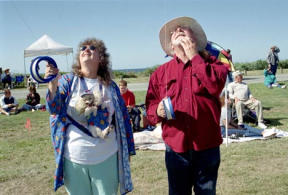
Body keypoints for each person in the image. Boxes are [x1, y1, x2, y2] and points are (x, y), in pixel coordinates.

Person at [145, 16, 228, 194]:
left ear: (195, 38)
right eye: (174, 30)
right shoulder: (160, 74)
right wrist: (158, 111)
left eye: (184, 28)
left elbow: (214, 86)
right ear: (171, 45)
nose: (179, 30)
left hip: (207, 146)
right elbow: (150, 112)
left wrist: (194, 56)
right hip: (175, 149)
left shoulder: (216, 65)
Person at [45, 38, 135, 194]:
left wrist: (128, 152)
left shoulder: (111, 87)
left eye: (92, 48)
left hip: (106, 159)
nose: (86, 49)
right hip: (73, 160)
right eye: (82, 48)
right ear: (79, 57)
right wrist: (52, 87)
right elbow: (54, 109)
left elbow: (124, 121)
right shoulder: (68, 81)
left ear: (101, 58)